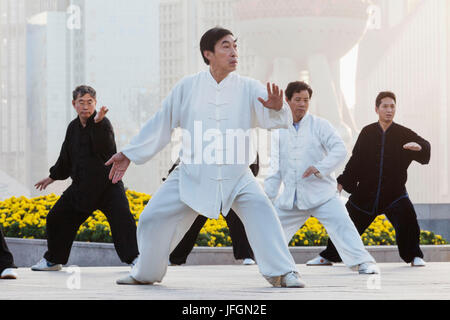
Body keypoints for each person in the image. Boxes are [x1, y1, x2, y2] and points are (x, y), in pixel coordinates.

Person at [107, 27, 304, 287]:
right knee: (151, 217)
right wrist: (130, 153)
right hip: (191, 172)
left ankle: (284, 272)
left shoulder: (249, 87)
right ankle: (145, 272)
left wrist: (279, 109)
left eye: (235, 46)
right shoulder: (187, 87)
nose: (234, 52)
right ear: (207, 53)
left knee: (263, 214)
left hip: (238, 175)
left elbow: (274, 121)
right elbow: (161, 123)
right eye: (226, 46)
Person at [264, 81, 379, 274]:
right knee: (272, 231)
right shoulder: (279, 130)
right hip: (292, 197)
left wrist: (319, 168)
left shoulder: (320, 125)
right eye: (298, 99)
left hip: (322, 194)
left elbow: (340, 149)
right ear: (287, 100)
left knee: (343, 225)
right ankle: (276, 268)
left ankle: (363, 262)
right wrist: (268, 196)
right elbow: (275, 167)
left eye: (306, 100)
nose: (302, 104)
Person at [316, 91, 430, 267]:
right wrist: (342, 182)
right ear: (376, 109)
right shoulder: (367, 132)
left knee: (408, 220)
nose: (389, 110)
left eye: (392, 106)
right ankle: (328, 256)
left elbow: (425, 145)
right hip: (366, 193)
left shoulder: (403, 133)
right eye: (385, 106)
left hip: (394, 193)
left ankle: (414, 256)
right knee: (346, 224)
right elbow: (356, 160)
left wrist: (420, 147)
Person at [32, 85, 139, 271]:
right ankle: (53, 260)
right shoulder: (72, 128)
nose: (86, 106)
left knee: (123, 219)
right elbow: (65, 157)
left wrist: (97, 123)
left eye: (90, 102)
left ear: (95, 103)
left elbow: (106, 149)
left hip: (108, 185)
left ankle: (137, 260)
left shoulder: (103, 124)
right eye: (81, 102)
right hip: (82, 188)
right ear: (74, 104)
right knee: (56, 217)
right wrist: (51, 177)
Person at [168, 155, 258, 266]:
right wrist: (171, 173)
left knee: (237, 220)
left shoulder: (238, 139)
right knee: (193, 222)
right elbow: (186, 156)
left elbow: (252, 159)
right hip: (207, 188)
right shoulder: (201, 139)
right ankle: (175, 257)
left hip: (229, 189)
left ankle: (247, 256)